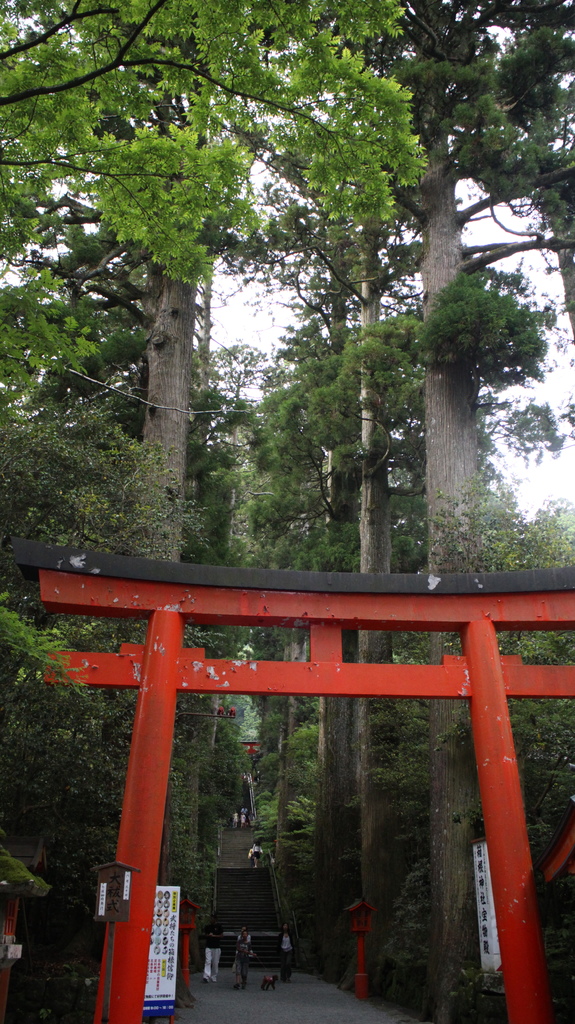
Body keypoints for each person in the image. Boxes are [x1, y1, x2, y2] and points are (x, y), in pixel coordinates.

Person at [202, 911, 224, 983]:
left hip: (216, 946)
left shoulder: (219, 926)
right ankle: (206, 976)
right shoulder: (208, 927)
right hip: (209, 946)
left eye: (213, 918)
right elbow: (205, 935)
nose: (212, 919)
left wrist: (214, 936)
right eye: (211, 918)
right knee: (208, 961)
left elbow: (221, 935)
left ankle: (214, 975)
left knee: (215, 962)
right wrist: (209, 935)